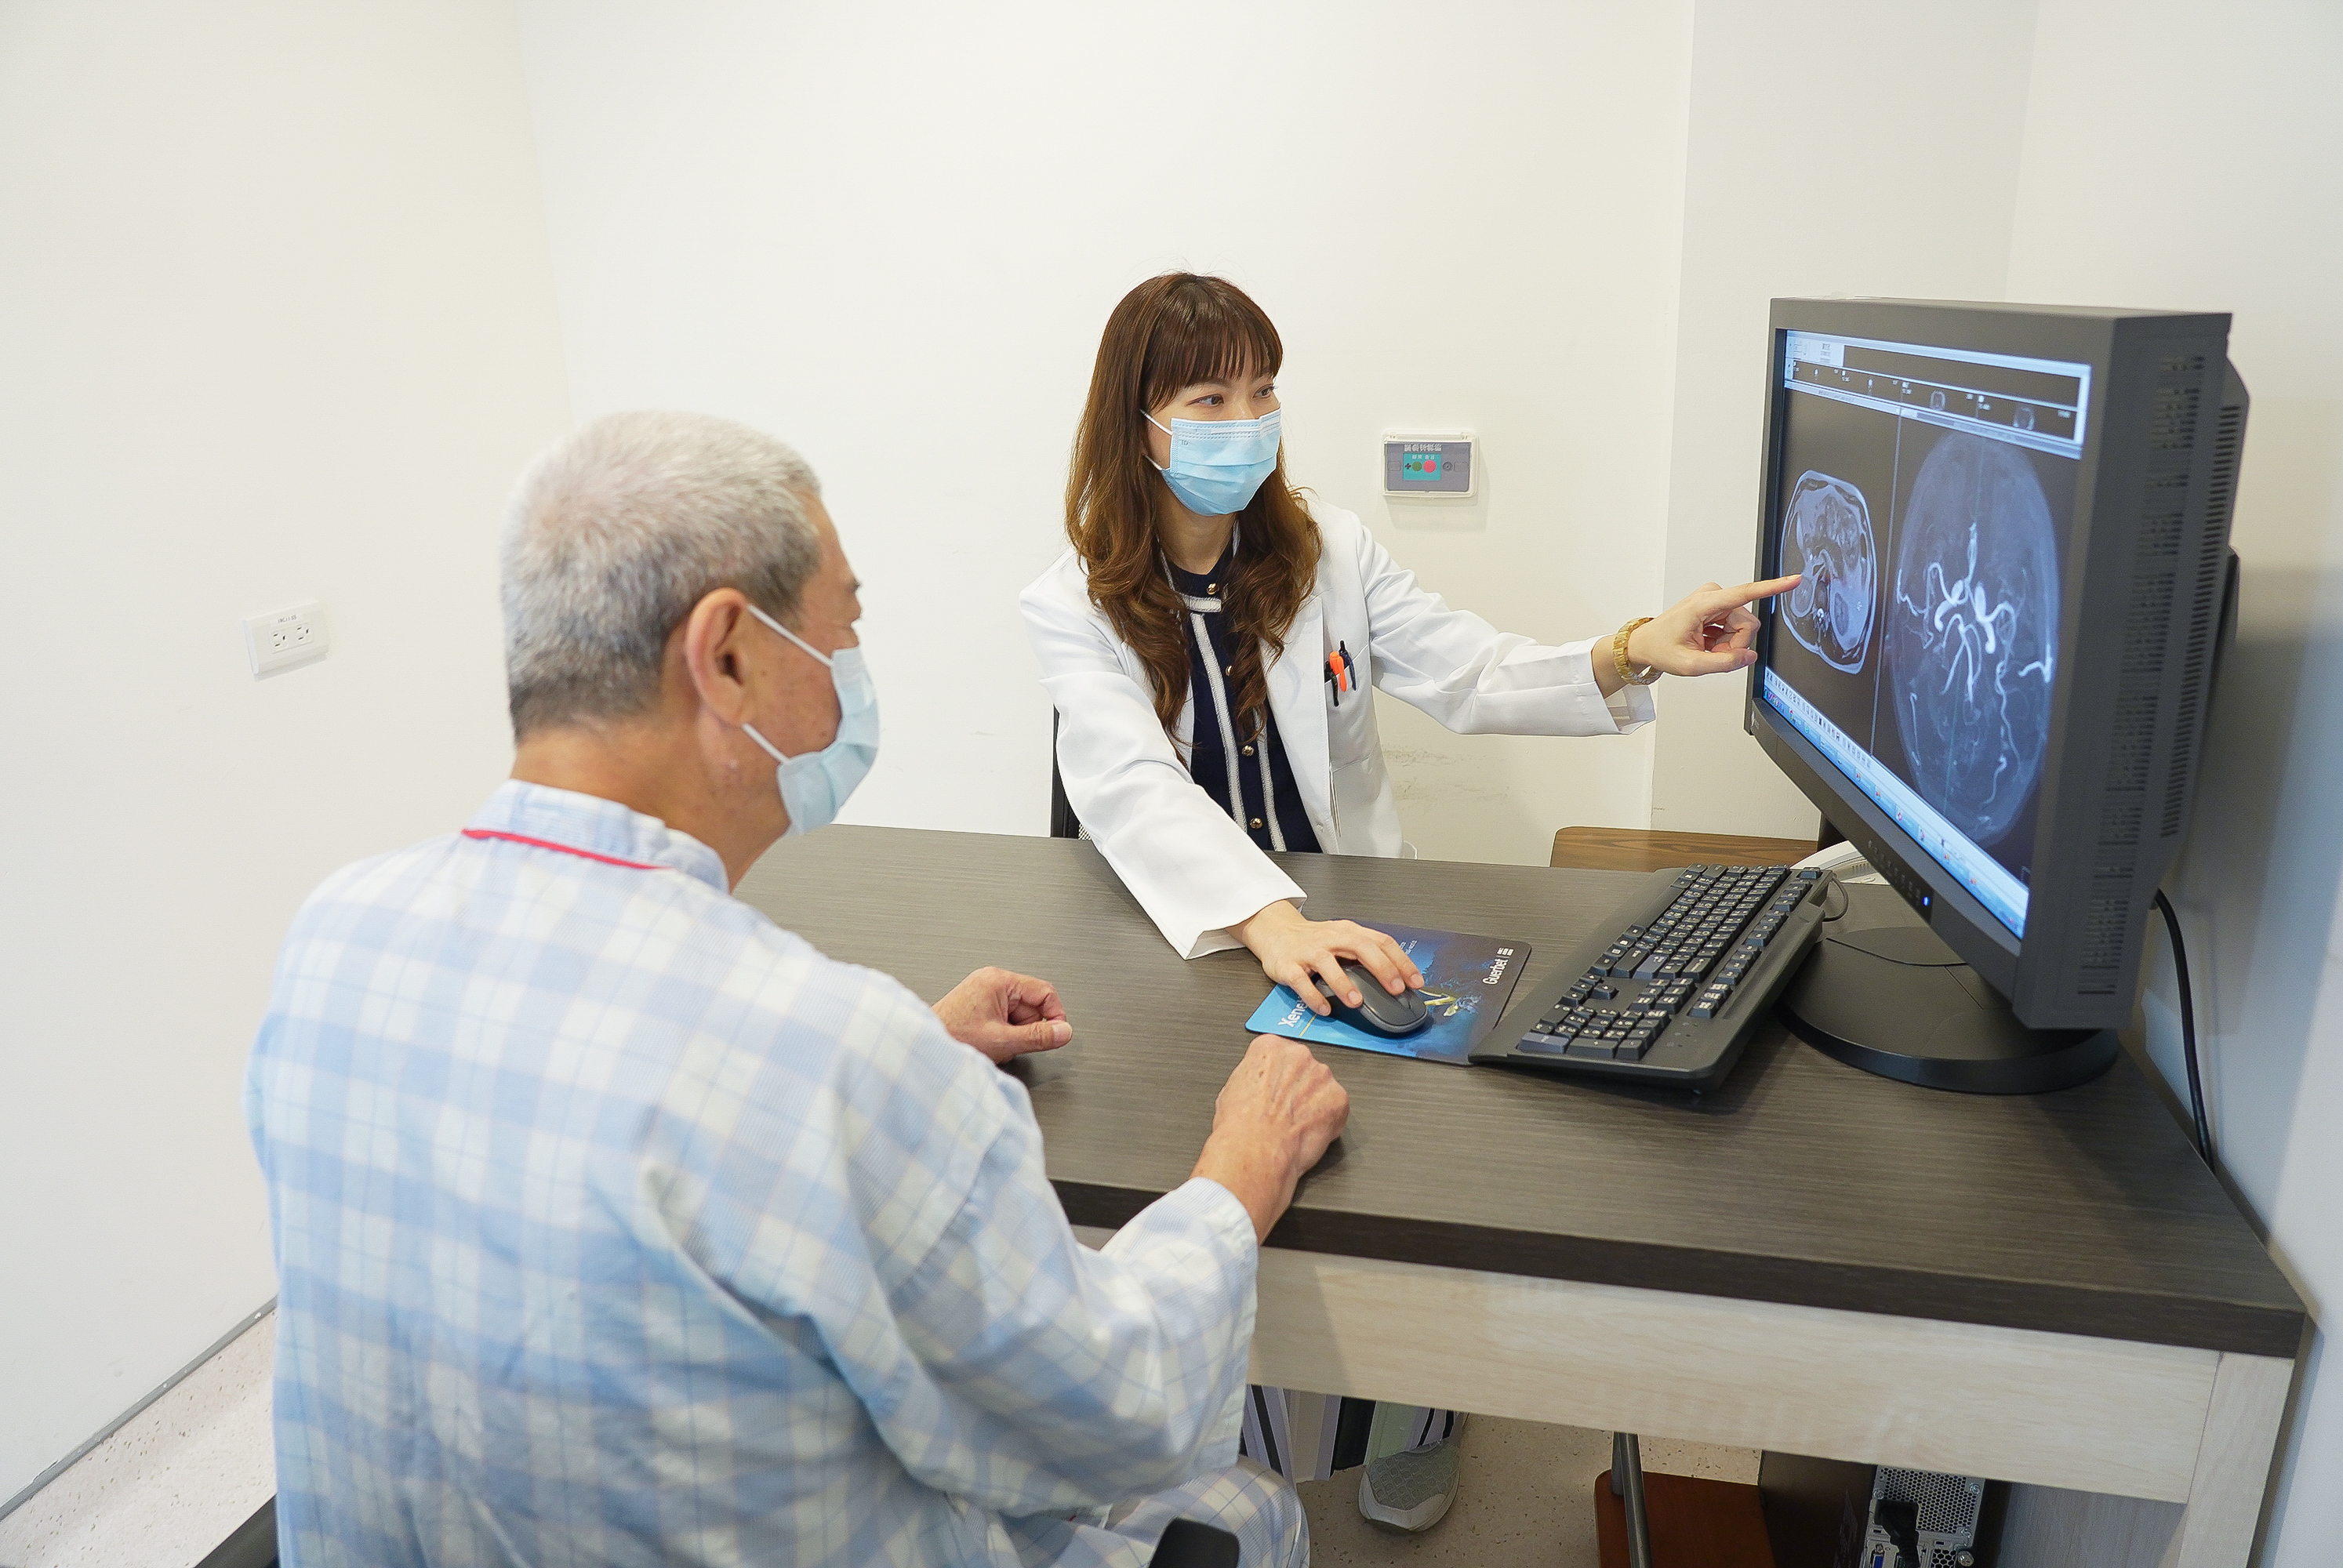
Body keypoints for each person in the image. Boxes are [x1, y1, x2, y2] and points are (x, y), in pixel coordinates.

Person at [245, 411, 1350, 1568]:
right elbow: (1119, 1409)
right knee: (1244, 1514)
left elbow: (614, 1117)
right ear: (726, 655)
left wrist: (907, 1054)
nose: (851, 686)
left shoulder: (336, 936)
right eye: (846, 628)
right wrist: (1242, 1167)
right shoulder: (826, 1058)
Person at [1020, 273, 1799, 1534]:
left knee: (1398, 1164)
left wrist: (1628, 649)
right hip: (1195, 937)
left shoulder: (1324, 548)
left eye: (1263, 390)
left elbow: (1469, 668)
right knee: (1229, 1176)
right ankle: (1245, 1435)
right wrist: (1270, 922)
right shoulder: (1074, 602)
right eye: (1211, 395)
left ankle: (1420, 1412)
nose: (1247, 418)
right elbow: (1123, 786)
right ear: (1140, 421)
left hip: (1344, 903)